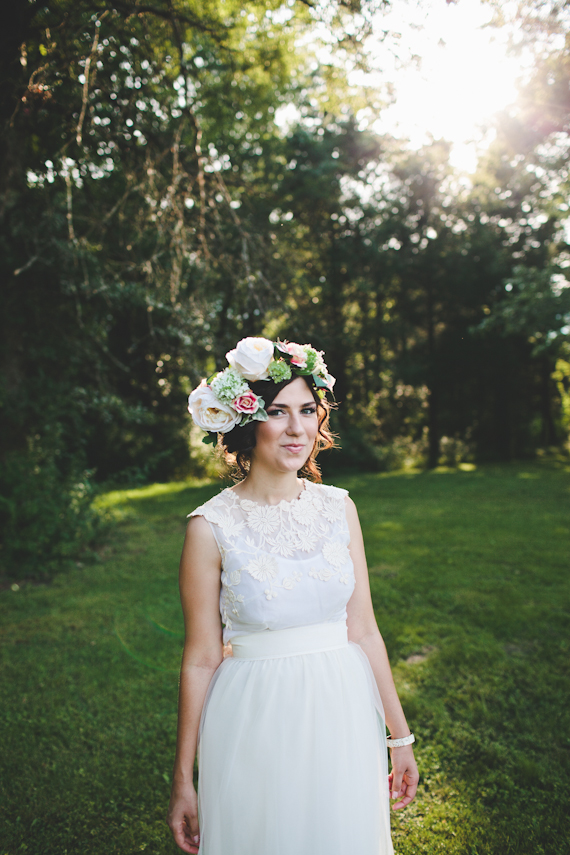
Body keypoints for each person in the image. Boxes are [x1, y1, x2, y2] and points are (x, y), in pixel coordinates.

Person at [167, 336, 419, 855]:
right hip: (253, 713)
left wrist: (400, 737)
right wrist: (183, 779)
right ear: (246, 421)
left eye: (308, 410)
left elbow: (365, 630)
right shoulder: (209, 527)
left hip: (343, 707)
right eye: (278, 412)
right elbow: (199, 660)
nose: (298, 428)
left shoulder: (339, 508)